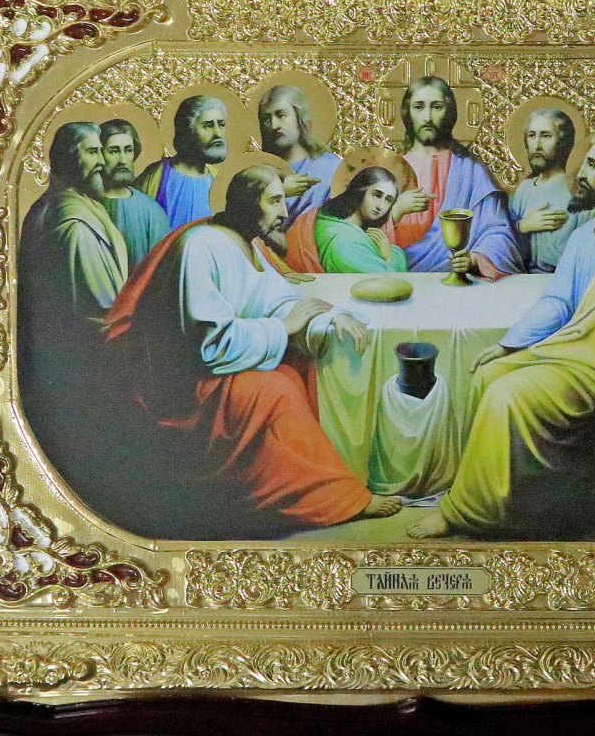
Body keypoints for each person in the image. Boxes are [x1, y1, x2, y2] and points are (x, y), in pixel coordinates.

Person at [408, 133, 595, 539]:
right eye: (582, 164)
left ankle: (467, 512)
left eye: (593, 166)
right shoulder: (585, 235)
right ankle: (502, 497)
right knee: (487, 375)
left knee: (507, 393)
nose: (579, 175)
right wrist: (507, 344)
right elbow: (559, 301)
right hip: (576, 350)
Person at [105, 164, 401, 537]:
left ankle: (308, 486)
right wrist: (281, 329)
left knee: (295, 371)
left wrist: (329, 319)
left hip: (222, 368)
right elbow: (209, 344)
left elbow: (280, 303)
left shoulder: (245, 244)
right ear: (248, 203)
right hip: (186, 386)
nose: (284, 212)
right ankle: (330, 496)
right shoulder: (201, 245)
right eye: (274, 201)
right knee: (274, 388)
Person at [17, 122, 129, 473]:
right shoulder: (75, 226)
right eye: (92, 152)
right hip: (85, 374)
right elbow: (103, 312)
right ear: (68, 159)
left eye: (101, 152)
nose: (102, 162)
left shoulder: (53, 206)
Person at [390, 76, 524, 280]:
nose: (427, 117)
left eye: (436, 107)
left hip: (461, 282)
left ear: (449, 113)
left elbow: (498, 231)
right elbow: (362, 234)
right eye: (419, 107)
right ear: (407, 113)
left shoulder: (471, 170)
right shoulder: (389, 169)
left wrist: (475, 259)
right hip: (399, 278)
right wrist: (396, 212)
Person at [507, 107, 595, 272]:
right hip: (521, 278)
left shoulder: (579, 190)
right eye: (532, 136)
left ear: (563, 142)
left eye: (546, 136)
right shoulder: (525, 189)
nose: (537, 145)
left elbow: (591, 250)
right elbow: (502, 242)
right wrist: (522, 226)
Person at [284, 166, 406, 273]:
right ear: (360, 192)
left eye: (388, 200)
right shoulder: (343, 241)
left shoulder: (328, 216)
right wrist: (389, 257)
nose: (380, 206)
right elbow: (387, 280)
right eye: (376, 195)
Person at [135, 95, 229, 230]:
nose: (218, 134)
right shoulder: (156, 176)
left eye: (221, 125)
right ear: (187, 131)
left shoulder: (219, 179)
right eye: (208, 126)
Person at [257, 84, 341, 224]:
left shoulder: (331, 167)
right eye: (266, 119)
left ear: (299, 116)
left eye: (281, 115)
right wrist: (280, 191)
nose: (274, 125)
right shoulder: (258, 171)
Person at [98, 119, 173, 269]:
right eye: (114, 151)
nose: (122, 160)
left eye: (128, 150)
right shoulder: (84, 204)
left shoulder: (151, 211)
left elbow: (162, 270)